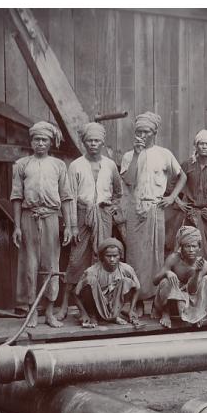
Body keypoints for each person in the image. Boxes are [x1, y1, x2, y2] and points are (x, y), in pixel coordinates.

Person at [57, 122, 123, 321]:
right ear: (84, 143)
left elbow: (119, 193)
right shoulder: (76, 165)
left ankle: (100, 305)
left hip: (103, 216)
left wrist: (113, 207)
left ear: (102, 143)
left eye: (96, 141)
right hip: (82, 214)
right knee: (76, 260)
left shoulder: (110, 165)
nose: (93, 144)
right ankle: (64, 305)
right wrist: (73, 225)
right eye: (89, 141)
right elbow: (69, 197)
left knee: (102, 258)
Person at [10, 121, 73, 328]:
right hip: (29, 217)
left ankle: (49, 312)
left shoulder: (58, 165)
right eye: (36, 139)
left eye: (44, 140)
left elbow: (65, 197)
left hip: (51, 218)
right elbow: (17, 197)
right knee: (30, 265)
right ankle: (32, 311)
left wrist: (70, 226)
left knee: (51, 265)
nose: (40, 143)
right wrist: (17, 226)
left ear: (50, 142)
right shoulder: (21, 165)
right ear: (31, 141)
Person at [120, 112, 187, 306]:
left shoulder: (164, 153)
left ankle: (157, 300)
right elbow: (129, 180)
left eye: (146, 131)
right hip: (136, 209)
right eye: (139, 131)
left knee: (156, 255)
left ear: (154, 132)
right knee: (135, 255)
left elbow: (182, 176)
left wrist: (172, 197)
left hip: (156, 207)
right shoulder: (128, 156)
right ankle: (137, 301)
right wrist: (136, 154)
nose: (142, 135)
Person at [165, 129, 207, 258]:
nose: (204, 147)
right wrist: (178, 202)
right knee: (191, 246)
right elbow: (170, 186)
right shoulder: (187, 164)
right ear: (196, 146)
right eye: (201, 143)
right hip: (191, 214)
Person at [152, 226, 207, 329]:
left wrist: (196, 272)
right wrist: (167, 273)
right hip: (170, 302)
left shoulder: (204, 264)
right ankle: (165, 313)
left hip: (189, 301)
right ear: (181, 248)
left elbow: (192, 291)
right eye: (187, 246)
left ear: (199, 248)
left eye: (194, 246)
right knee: (165, 281)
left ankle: (197, 312)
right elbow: (155, 281)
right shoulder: (174, 258)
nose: (191, 250)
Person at [74, 238, 143, 329]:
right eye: (108, 256)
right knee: (90, 280)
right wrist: (83, 313)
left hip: (114, 305)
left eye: (115, 256)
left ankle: (115, 315)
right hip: (96, 306)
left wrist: (131, 310)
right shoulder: (92, 270)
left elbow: (137, 288)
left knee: (126, 282)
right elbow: (75, 293)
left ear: (120, 256)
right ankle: (92, 316)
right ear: (102, 256)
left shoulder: (126, 269)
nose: (112, 259)